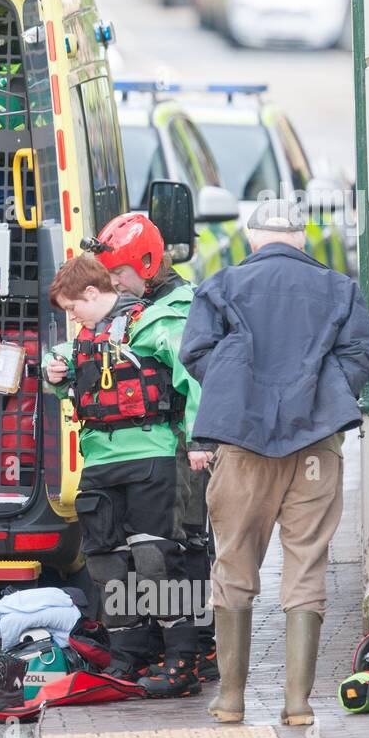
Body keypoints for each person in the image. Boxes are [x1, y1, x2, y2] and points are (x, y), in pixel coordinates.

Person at [180, 199, 369, 725]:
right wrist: (321, 397)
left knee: (235, 563)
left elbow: (195, 353)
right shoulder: (340, 287)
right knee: (307, 563)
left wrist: (241, 389)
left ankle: (230, 700)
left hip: (243, 448)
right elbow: (359, 352)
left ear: (253, 239)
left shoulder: (220, 285)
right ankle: (297, 704)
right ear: (299, 239)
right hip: (316, 448)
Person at [43, 250, 204, 698]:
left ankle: (181, 660)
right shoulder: (82, 341)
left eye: (74, 308)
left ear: (94, 293)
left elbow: (193, 377)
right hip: (99, 462)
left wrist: (198, 441)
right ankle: (128, 656)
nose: (73, 318)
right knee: (107, 564)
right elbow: (56, 366)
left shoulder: (155, 324)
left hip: (153, 456)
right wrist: (53, 372)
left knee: (157, 561)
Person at [93, 213, 217, 681]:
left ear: (146, 264)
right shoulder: (133, 308)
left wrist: (199, 440)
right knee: (148, 551)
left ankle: (194, 650)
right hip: (152, 448)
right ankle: (161, 647)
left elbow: (196, 380)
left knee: (180, 549)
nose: (115, 282)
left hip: (182, 445)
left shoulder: (180, 310)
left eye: (121, 273)